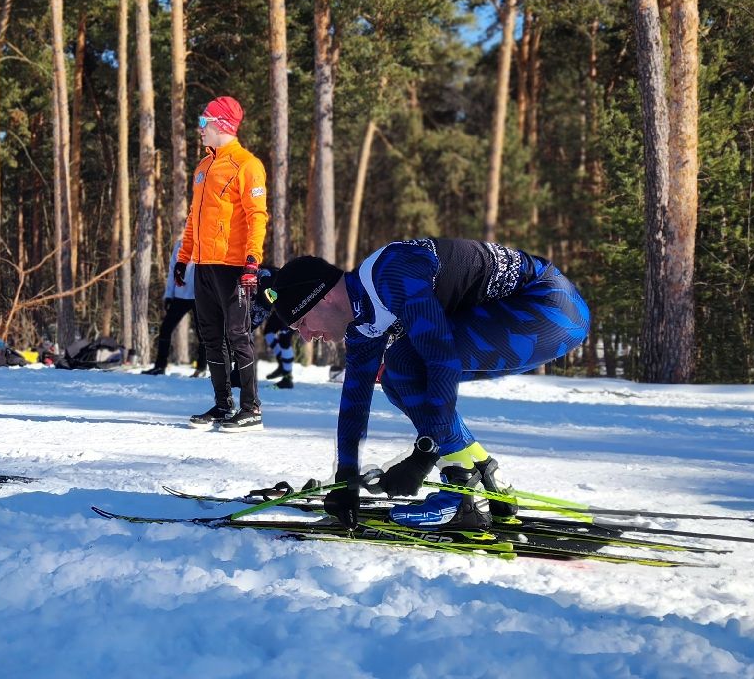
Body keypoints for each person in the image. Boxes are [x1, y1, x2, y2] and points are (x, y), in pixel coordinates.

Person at [262, 238, 591, 531]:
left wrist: (424, 454)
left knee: (405, 362)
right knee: (395, 376)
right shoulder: (363, 320)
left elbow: (442, 360)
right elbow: (354, 400)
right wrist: (345, 479)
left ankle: (462, 491)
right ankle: (483, 472)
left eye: (302, 322)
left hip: (552, 309)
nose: (305, 336)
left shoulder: (391, 274)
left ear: (325, 299)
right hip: (533, 315)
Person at [174, 95, 268, 431]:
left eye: (203, 122)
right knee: (211, 336)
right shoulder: (202, 167)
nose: (199, 129)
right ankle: (221, 404)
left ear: (221, 125)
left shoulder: (246, 165)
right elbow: (192, 219)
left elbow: (257, 216)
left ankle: (251, 408)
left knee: (237, 334)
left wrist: (252, 261)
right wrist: (184, 258)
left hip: (233, 266)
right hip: (204, 264)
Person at [145, 241, 202, 377]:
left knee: (203, 334)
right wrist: (168, 295)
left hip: (200, 296)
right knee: (165, 328)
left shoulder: (207, 243)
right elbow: (172, 270)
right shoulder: (180, 245)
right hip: (180, 295)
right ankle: (160, 366)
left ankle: (201, 368)